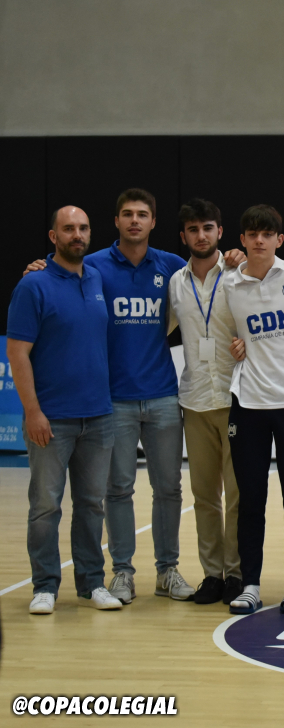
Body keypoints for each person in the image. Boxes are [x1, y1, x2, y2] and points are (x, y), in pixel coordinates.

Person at [22, 190, 194, 603]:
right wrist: (37, 266)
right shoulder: (93, 266)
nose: (135, 220)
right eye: (127, 214)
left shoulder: (172, 266)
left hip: (163, 395)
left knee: (169, 488)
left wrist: (234, 258)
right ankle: (122, 573)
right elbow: (56, 274)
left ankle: (167, 570)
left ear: (153, 222)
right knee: (117, 490)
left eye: (143, 214)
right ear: (116, 221)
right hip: (112, 400)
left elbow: (212, 276)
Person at [8, 207, 121, 613]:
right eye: (69, 228)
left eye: (83, 228)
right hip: (51, 418)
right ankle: (44, 586)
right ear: (53, 236)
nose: (77, 234)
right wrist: (33, 411)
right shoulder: (33, 285)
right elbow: (17, 353)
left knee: (91, 506)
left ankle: (92, 584)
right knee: (45, 507)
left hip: (99, 416)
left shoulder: (96, 278)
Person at [222, 205, 284, 615]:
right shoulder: (229, 283)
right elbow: (227, 332)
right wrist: (234, 345)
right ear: (242, 240)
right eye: (252, 234)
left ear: (279, 239)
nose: (259, 240)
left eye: (267, 234)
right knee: (251, 502)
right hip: (249, 405)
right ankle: (251, 585)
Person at [167, 198, 243, 605]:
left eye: (208, 228)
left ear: (220, 232)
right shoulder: (174, 283)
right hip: (195, 400)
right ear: (184, 236)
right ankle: (212, 574)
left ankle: (237, 573)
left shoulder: (239, 272)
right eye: (193, 229)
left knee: (238, 495)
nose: (201, 235)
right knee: (204, 497)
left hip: (236, 398)